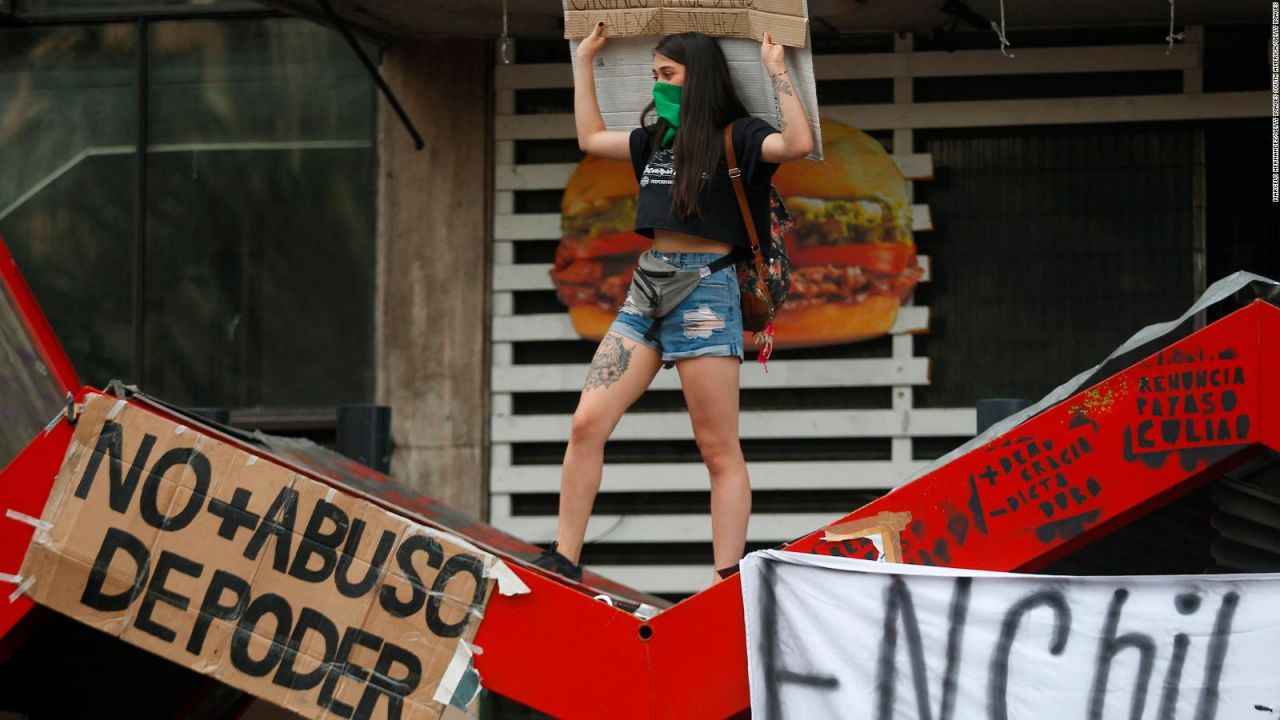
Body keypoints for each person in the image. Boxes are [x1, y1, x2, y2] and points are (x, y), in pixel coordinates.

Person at [534, 26, 813, 585]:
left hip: (707, 290)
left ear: (699, 78)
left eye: (668, 75)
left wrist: (777, 69)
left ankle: (727, 577)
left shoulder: (739, 137)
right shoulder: (655, 138)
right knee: (587, 423)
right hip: (648, 287)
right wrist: (584, 61)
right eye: (654, 75)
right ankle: (564, 557)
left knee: (716, 448)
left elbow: (797, 145)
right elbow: (590, 138)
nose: (658, 85)